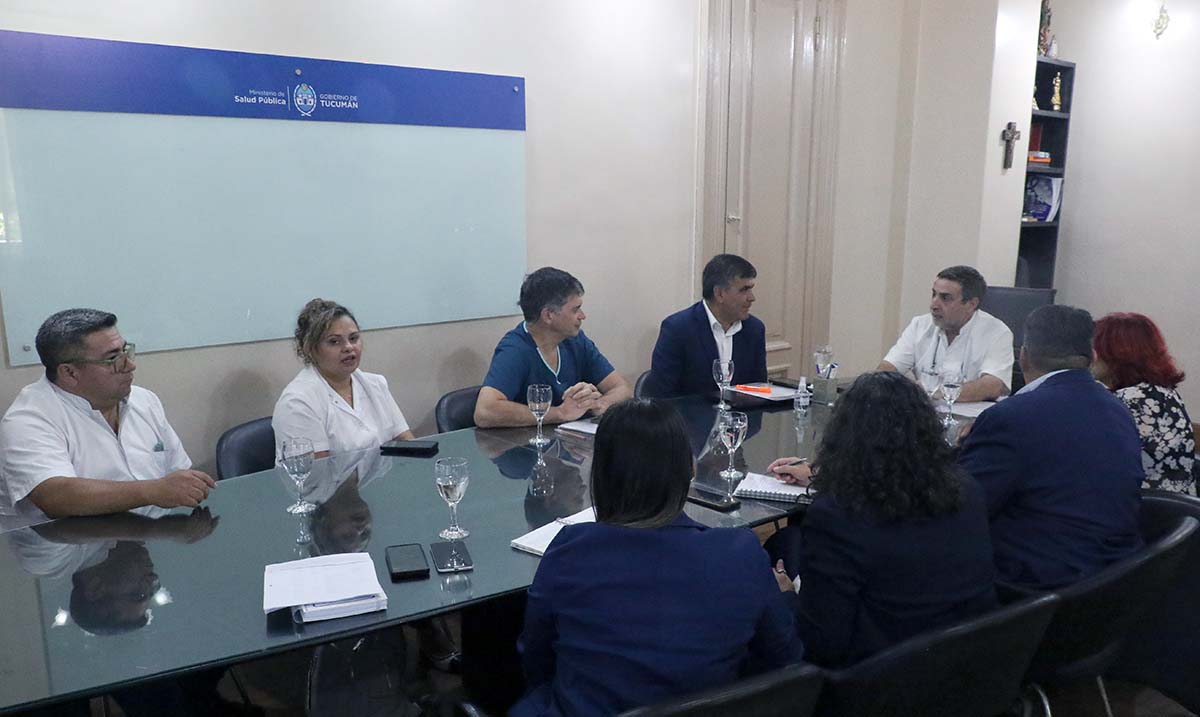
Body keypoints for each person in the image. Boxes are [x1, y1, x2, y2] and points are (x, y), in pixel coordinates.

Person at [512, 399, 802, 716]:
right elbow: (785, 661)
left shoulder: (570, 550)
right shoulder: (740, 553)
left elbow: (535, 660)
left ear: (602, 475)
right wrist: (786, 598)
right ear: (689, 470)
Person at [765, 372, 997, 668]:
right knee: (788, 540)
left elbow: (821, 646)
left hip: (876, 680)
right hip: (970, 666)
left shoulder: (838, 516)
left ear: (844, 439)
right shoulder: (968, 491)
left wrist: (787, 598)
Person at [959, 305, 1144, 590]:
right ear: (1092, 357)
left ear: (1023, 356)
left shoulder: (1012, 417)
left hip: (1036, 583)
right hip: (1117, 576)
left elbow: (963, 506)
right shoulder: (1118, 409)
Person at [0, 309, 215, 520]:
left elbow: (178, 474)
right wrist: (152, 491)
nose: (130, 365)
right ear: (70, 372)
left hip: (149, 532)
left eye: (125, 351)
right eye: (112, 358)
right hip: (68, 541)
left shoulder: (144, 400)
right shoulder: (27, 420)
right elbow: (55, 496)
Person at [474, 267, 632, 428]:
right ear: (548, 315)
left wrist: (599, 404)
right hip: (527, 442)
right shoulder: (515, 349)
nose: (583, 316)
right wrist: (560, 413)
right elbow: (485, 411)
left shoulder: (576, 340)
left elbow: (622, 389)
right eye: (575, 309)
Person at [273, 299, 414, 459]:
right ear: (309, 349)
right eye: (334, 342)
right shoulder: (297, 402)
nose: (348, 347)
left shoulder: (375, 384)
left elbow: (407, 442)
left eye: (353, 338)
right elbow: (318, 471)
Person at [1093, 312, 1195, 495]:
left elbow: (1096, 461)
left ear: (1117, 354)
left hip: (1143, 504)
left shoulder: (1129, 400)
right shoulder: (1163, 393)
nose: (1089, 357)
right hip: (1174, 503)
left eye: (1095, 349)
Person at [879, 265, 1013, 402]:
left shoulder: (997, 332)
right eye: (934, 294)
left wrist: (934, 391)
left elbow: (992, 386)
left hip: (974, 415)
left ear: (971, 304)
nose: (934, 305)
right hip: (926, 412)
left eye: (945, 298)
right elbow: (887, 370)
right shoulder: (919, 325)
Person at [643, 253, 767, 398]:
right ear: (719, 294)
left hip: (740, 413)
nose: (752, 298)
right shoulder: (678, 329)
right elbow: (661, 397)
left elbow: (758, 390)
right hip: (689, 412)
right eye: (744, 290)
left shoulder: (754, 330)